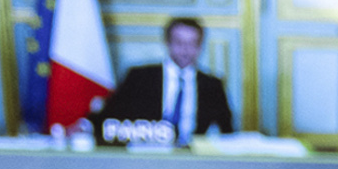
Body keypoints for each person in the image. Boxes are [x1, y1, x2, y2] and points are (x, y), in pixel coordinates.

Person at [94, 18, 234, 146]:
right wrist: (87, 126)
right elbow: (109, 118)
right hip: (149, 154)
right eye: (179, 42)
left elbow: (227, 131)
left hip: (193, 158)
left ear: (200, 46)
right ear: (167, 42)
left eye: (192, 43)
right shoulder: (139, 77)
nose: (186, 49)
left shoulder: (212, 85)